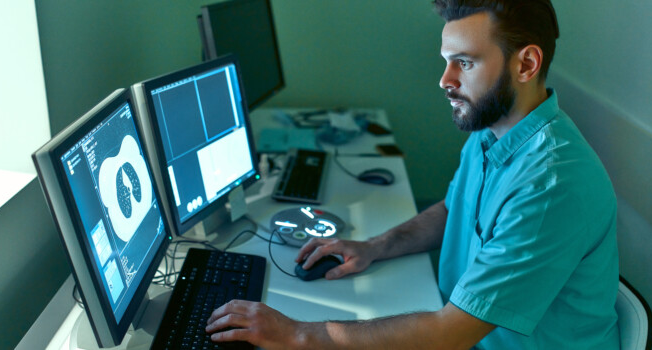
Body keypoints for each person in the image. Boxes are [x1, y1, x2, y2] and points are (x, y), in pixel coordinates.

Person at [206, 0, 620, 348]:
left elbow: (450, 333)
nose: (446, 80)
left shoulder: (553, 184)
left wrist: (296, 334)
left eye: (465, 62)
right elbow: (455, 209)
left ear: (526, 63)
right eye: (447, 62)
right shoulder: (495, 129)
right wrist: (374, 246)